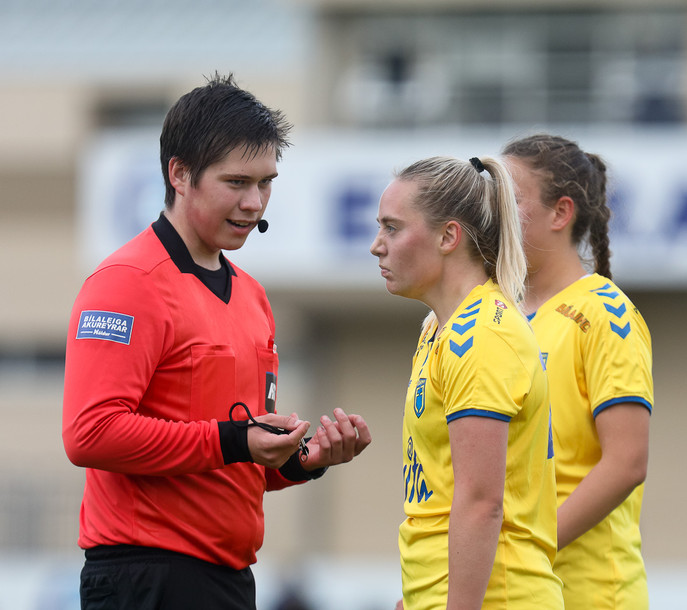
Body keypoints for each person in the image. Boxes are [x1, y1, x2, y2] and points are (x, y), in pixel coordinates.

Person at [62, 73, 371, 610]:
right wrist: (235, 441)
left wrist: (301, 460)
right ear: (179, 174)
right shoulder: (127, 282)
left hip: (228, 579)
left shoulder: (252, 296)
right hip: (145, 578)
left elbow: (232, 457)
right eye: (236, 182)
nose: (254, 202)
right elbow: (89, 434)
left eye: (266, 183)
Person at [370, 155, 563, 609]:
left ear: (448, 236)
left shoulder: (481, 335)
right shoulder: (440, 330)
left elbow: (481, 504)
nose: (377, 246)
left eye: (392, 228)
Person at [502, 134, 653, 609]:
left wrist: (527, 553)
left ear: (560, 213)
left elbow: (627, 462)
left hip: (590, 595)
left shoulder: (605, 311)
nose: (493, 211)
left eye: (510, 198)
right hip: (510, 591)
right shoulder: (495, 315)